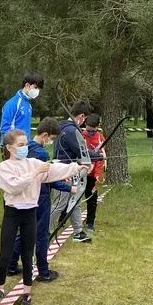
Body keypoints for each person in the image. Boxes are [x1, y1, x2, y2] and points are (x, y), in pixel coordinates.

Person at [0, 130, 88, 305]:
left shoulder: (33, 162)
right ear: (9, 148)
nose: (24, 148)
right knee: (5, 253)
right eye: (20, 145)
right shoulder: (5, 167)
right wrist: (35, 173)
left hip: (30, 213)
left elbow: (55, 170)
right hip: (12, 214)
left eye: (26, 144)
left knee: (27, 255)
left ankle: (26, 292)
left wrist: (77, 166)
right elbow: (14, 186)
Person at [6, 117, 69, 282]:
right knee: (40, 234)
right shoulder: (40, 153)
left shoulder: (26, 148)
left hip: (25, 197)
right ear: (46, 135)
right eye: (52, 139)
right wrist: (69, 186)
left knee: (26, 232)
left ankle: (10, 265)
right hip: (40, 197)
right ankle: (43, 271)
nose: (51, 142)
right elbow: (48, 178)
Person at [53, 101, 98, 243]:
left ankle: (78, 232)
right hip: (63, 171)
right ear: (82, 116)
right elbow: (81, 151)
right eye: (84, 119)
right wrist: (97, 156)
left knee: (75, 200)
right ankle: (42, 229)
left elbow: (79, 152)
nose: (84, 122)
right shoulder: (71, 130)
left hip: (71, 169)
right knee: (59, 204)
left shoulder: (65, 127)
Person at [0, 72, 43, 142]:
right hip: (12, 146)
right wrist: (10, 147)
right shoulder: (12, 103)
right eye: (36, 87)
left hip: (24, 145)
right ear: (27, 85)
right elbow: (5, 128)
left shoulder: (28, 105)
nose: (37, 91)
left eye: (39, 89)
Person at [82, 113, 105, 231]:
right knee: (72, 196)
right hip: (80, 172)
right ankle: (63, 218)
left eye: (92, 130)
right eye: (88, 130)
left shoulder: (100, 138)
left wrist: (97, 175)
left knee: (92, 199)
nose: (90, 132)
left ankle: (90, 223)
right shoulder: (80, 135)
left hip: (92, 175)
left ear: (97, 127)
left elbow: (101, 159)